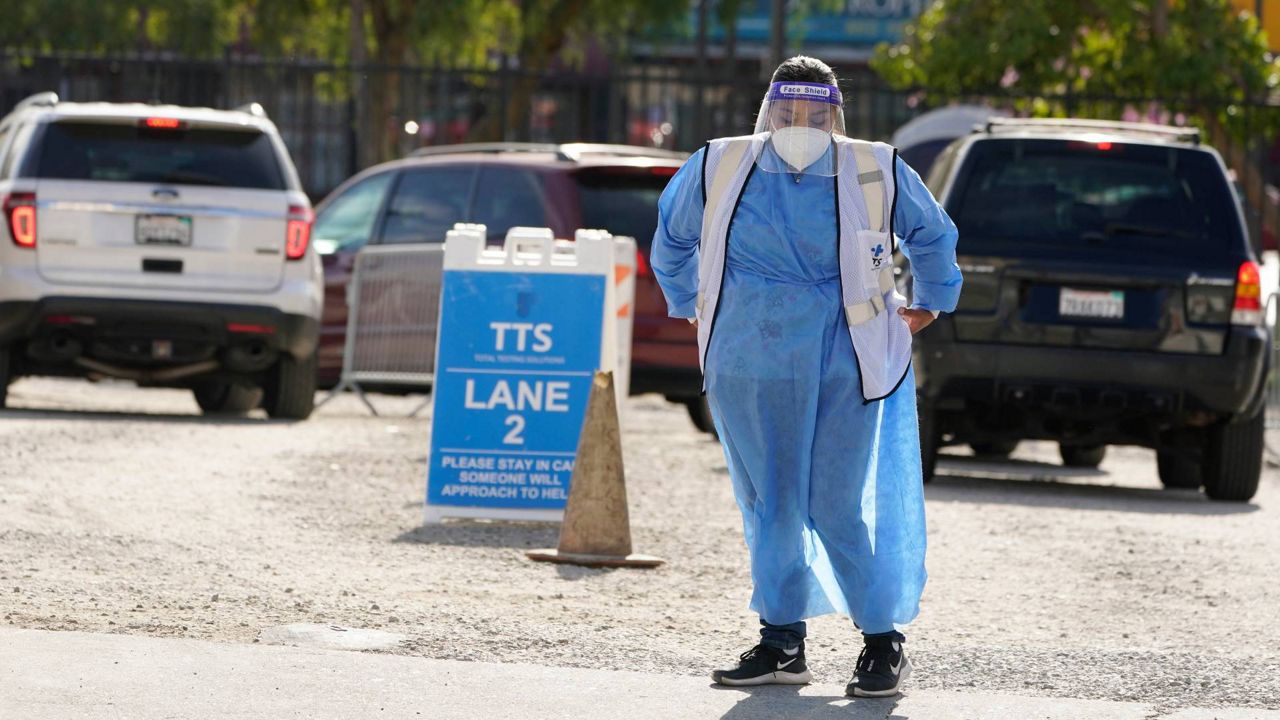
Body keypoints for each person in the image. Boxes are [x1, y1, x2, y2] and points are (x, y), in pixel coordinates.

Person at [650, 56, 962, 698]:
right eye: (789, 111)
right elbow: (671, 239)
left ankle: (883, 642)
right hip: (749, 361)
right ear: (769, 110)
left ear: (834, 115)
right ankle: (781, 643)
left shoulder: (876, 166)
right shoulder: (718, 163)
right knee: (772, 504)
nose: (800, 124)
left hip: (846, 357)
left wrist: (931, 302)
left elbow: (933, 234)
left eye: (815, 114)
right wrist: (691, 304)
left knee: (834, 504)